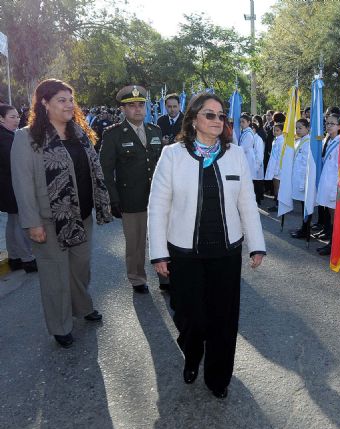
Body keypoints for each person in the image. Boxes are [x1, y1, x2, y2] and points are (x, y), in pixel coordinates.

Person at [147, 92, 266, 399]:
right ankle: (191, 352)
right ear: (194, 119)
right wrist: (158, 252)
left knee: (223, 319)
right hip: (185, 253)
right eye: (210, 115)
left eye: (221, 115)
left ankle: (218, 377)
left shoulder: (235, 154)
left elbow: (248, 203)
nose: (217, 120)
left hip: (225, 252)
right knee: (191, 317)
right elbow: (158, 206)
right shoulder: (172, 155)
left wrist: (256, 244)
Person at [11, 78, 113, 348]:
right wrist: (32, 223)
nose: (69, 105)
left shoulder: (79, 132)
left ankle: (82, 306)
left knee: (80, 268)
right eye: (61, 100)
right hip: (49, 219)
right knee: (55, 273)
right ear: (44, 104)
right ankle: (60, 325)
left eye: (71, 100)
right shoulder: (27, 137)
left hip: (83, 214)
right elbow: (22, 183)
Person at [100, 85, 167, 293]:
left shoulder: (154, 130)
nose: (138, 109)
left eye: (141, 105)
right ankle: (137, 278)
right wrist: (113, 199)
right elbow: (105, 171)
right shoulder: (113, 135)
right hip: (131, 198)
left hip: (158, 198)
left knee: (162, 238)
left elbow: (162, 165)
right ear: (123, 109)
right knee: (136, 243)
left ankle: (165, 276)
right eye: (132, 106)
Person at [1, 104, 37, 272]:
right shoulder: (7, 138)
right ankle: (27, 259)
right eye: (11, 117)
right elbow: (17, 164)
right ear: (1, 119)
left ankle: (15, 257)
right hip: (11, 186)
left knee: (12, 221)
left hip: (7, 186)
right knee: (19, 222)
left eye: (17, 116)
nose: (16, 120)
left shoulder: (7, 135)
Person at [314, 113, 340, 256]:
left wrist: (336, 189)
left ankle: (334, 246)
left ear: (339, 126)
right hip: (327, 184)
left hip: (335, 187)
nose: (328, 126)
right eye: (327, 123)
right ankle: (332, 243)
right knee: (332, 217)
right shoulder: (329, 140)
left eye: (332, 124)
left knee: (336, 217)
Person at [290, 119, 312, 238]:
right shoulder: (300, 141)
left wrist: (304, 182)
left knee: (306, 206)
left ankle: (306, 230)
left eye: (300, 128)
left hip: (304, 180)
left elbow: (306, 165)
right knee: (303, 205)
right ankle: (303, 228)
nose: (298, 130)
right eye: (296, 128)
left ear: (307, 128)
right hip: (298, 179)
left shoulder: (308, 142)